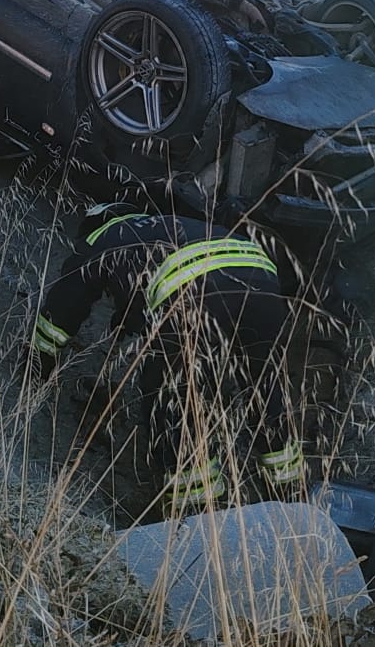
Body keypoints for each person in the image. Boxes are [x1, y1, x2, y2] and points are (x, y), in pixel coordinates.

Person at [26, 202, 307, 515]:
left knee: (171, 400)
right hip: (263, 279)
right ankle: (289, 489)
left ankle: (199, 511)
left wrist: (39, 359)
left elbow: (64, 305)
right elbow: (141, 299)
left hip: (195, 290)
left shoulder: (101, 237)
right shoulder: (167, 226)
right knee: (264, 388)